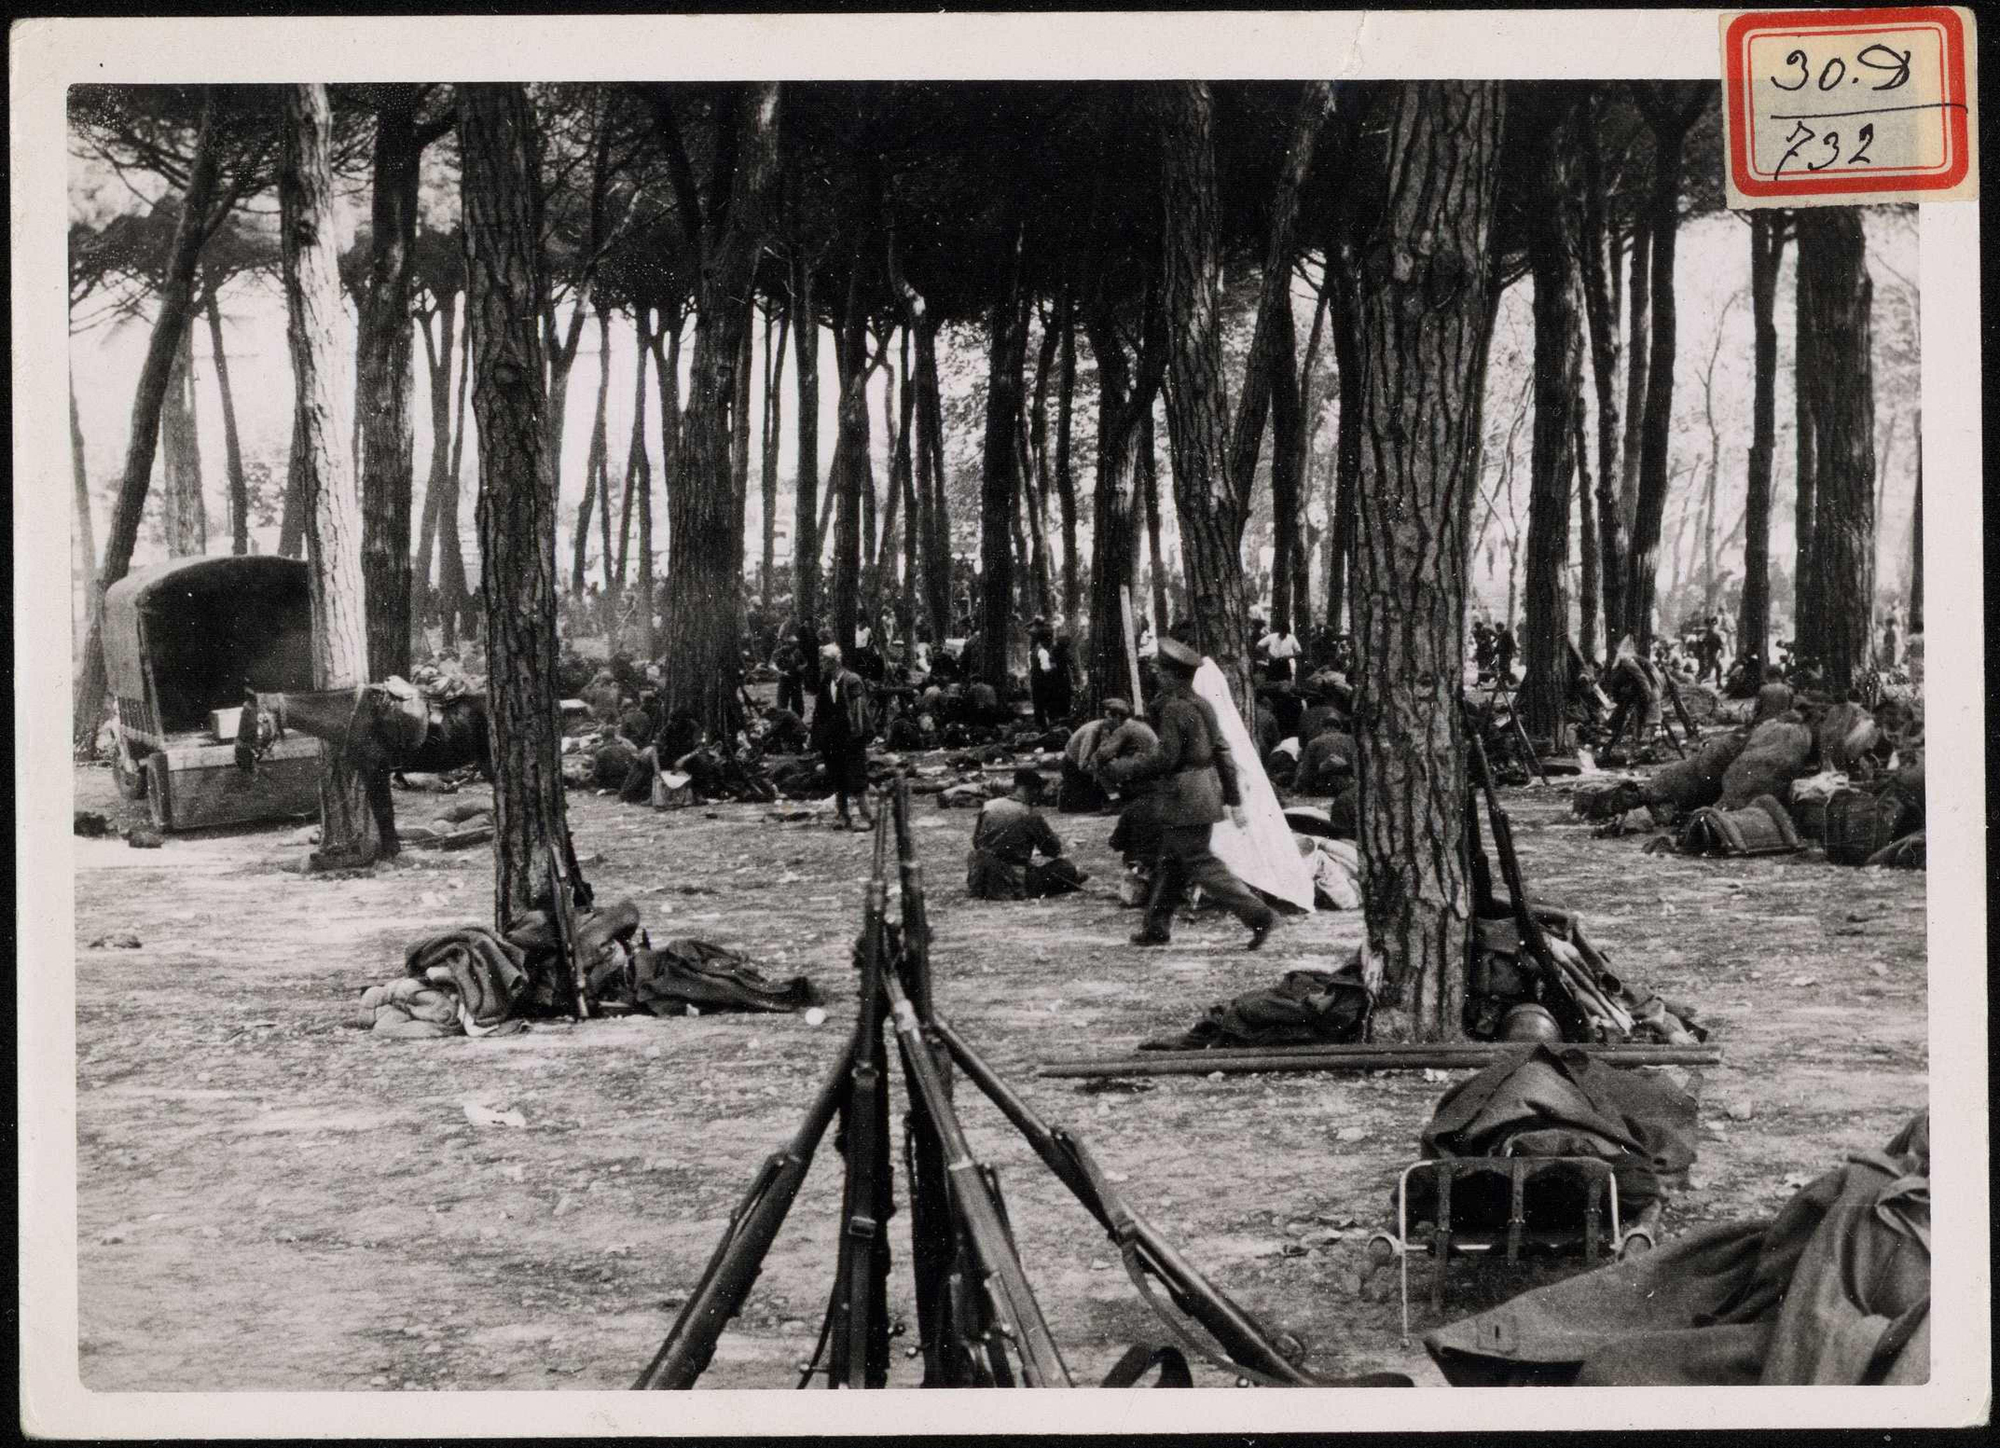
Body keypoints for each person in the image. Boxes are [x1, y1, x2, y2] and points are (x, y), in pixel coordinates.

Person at [1103, 637, 1277, 950]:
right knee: (1171, 861)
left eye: (1161, 671)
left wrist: (1125, 768)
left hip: (1182, 794)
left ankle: (1259, 914)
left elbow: (1166, 758)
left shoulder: (1174, 709)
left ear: (1170, 676)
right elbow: (1223, 751)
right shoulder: (1204, 705)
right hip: (1204, 790)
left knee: (1198, 861)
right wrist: (1232, 797)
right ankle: (1156, 927)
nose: (1157, 675)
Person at [965, 768, 1088, 900]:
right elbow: (1052, 850)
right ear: (1034, 790)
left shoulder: (989, 805)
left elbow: (976, 843)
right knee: (1065, 867)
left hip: (980, 877)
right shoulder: (1030, 814)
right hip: (1011, 881)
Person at [808, 644, 874, 829]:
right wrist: (815, 736)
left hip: (851, 736)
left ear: (835, 661)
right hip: (832, 738)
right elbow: (819, 712)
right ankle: (842, 814)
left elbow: (858, 711)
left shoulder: (852, 680)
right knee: (837, 776)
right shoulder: (826, 682)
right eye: (821, 660)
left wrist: (857, 735)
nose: (822, 664)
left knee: (857, 776)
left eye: (825, 661)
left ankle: (866, 817)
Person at [773, 631, 809, 717]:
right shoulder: (780, 652)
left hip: (796, 679)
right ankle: (782, 721)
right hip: (784, 679)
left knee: (798, 703)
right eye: (791, 644)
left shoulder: (797, 652)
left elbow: (805, 662)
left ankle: (798, 720)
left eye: (795, 644)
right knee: (782, 702)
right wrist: (780, 672)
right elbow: (772, 664)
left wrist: (802, 667)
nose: (793, 646)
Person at [1257, 618, 1302, 684]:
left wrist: (1290, 656)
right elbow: (1258, 646)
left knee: (1285, 684)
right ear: (1280, 631)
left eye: (1285, 632)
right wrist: (1267, 654)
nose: (1284, 634)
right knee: (1271, 683)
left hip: (1285, 664)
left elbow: (1299, 652)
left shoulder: (1291, 638)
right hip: (1273, 663)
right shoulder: (1272, 637)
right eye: (1282, 632)